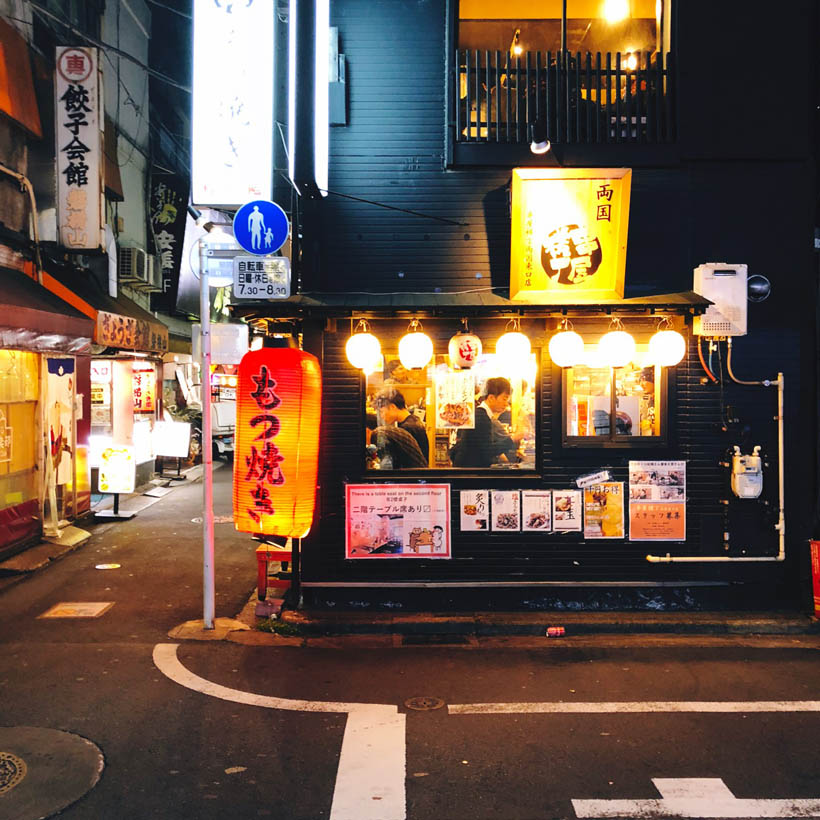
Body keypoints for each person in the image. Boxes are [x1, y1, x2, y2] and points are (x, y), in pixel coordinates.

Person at [449, 376, 524, 468]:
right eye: (504, 399)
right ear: (491, 398)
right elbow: (488, 451)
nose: (506, 404)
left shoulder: (482, 414)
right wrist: (513, 438)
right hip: (471, 473)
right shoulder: (480, 417)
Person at [373, 387, 429, 463]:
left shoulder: (408, 428)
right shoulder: (413, 421)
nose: (382, 416)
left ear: (392, 407)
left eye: (382, 412)